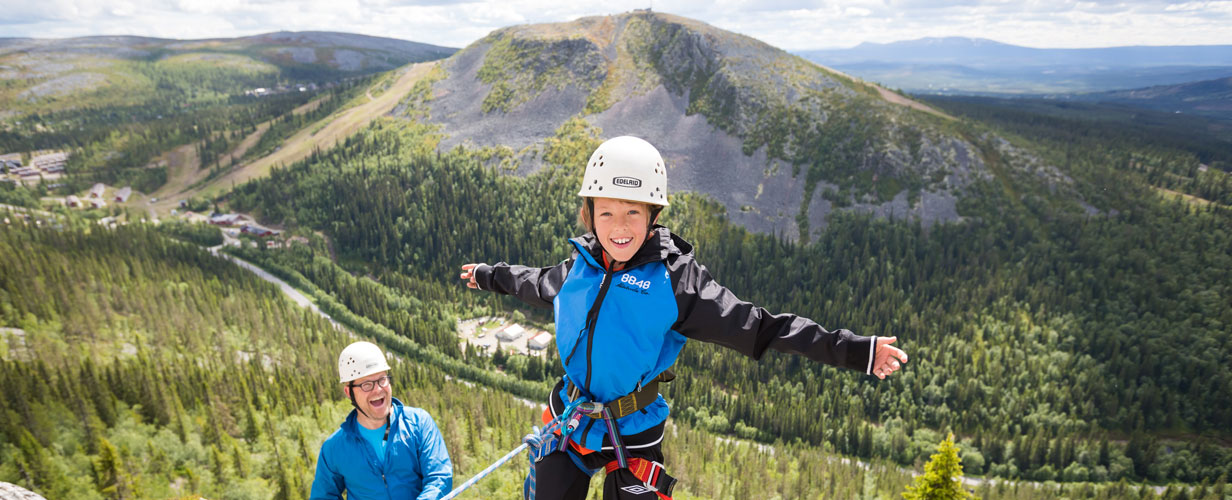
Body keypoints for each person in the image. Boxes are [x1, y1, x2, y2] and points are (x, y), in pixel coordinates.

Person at [459, 136, 909, 500]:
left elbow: (760, 326)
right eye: (607, 212)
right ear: (589, 214)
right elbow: (536, 282)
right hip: (571, 418)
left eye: (633, 212)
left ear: (653, 217)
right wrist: (487, 275)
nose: (620, 227)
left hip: (632, 429)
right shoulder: (580, 266)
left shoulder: (677, 284)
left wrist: (856, 350)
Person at [311, 341, 453, 500]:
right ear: (349, 393)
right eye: (366, 384)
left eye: (382, 379)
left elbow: (439, 477)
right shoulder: (335, 448)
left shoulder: (418, 424)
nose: (378, 389)